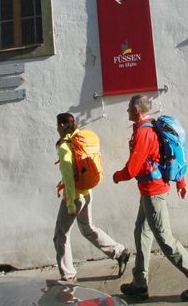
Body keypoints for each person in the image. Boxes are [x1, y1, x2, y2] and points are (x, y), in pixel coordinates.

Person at [113, 95, 188, 302]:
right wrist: (181, 182)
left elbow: (132, 169)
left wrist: (117, 176)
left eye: (129, 108)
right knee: (141, 231)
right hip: (150, 190)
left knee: (165, 239)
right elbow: (171, 156)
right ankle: (140, 284)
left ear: (137, 110)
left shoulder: (144, 133)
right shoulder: (152, 127)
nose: (127, 111)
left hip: (153, 192)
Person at [53, 112, 131, 282]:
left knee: (61, 235)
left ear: (60, 127)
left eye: (57, 125)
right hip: (87, 193)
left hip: (74, 198)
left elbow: (68, 177)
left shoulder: (66, 147)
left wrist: (70, 204)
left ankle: (68, 275)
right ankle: (119, 252)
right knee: (88, 229)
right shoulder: (81, 139)